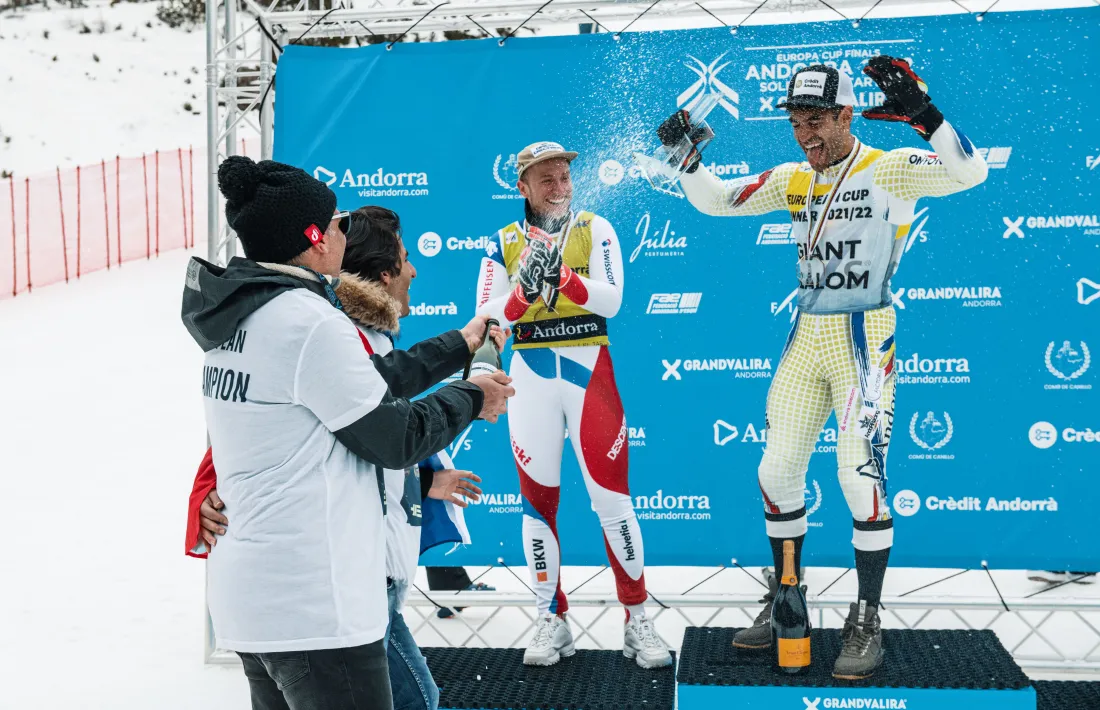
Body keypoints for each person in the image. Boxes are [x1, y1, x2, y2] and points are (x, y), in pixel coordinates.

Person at [658, 59, 988, 679]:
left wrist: (924, 114)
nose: (805, 133)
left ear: (844, 114)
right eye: (795, 121)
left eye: (815, 119)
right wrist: (686, 157)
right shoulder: (791, 178)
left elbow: (972, 170)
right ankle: (789, 596)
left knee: (857, 475)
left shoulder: (887, 166)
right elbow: (718, 202)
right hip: (807, 335)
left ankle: (866, 616)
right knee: (776, 470)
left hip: (865, 335)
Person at [182, 159, 513, 710]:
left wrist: (459, 343)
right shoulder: (308, 323)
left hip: (257, 601)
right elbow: (394, 437)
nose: (344, 232)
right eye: (338, 222)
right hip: (315, 608)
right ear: (313, 240)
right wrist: (474, 395)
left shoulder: (238, 314)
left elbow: (369, 385)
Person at [475, 141, 672, 669]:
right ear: (522, 187)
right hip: (530, 376)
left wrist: (561, 276)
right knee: (538, 503)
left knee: (613, 500)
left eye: (564, 177)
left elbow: (612, 300)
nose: (560, 188)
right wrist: (523, 288)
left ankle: (637, 619)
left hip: (590, 368)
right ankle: (550, 618)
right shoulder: (503, 242)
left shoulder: (594, 227)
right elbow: (486, 321)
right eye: (547, 180)